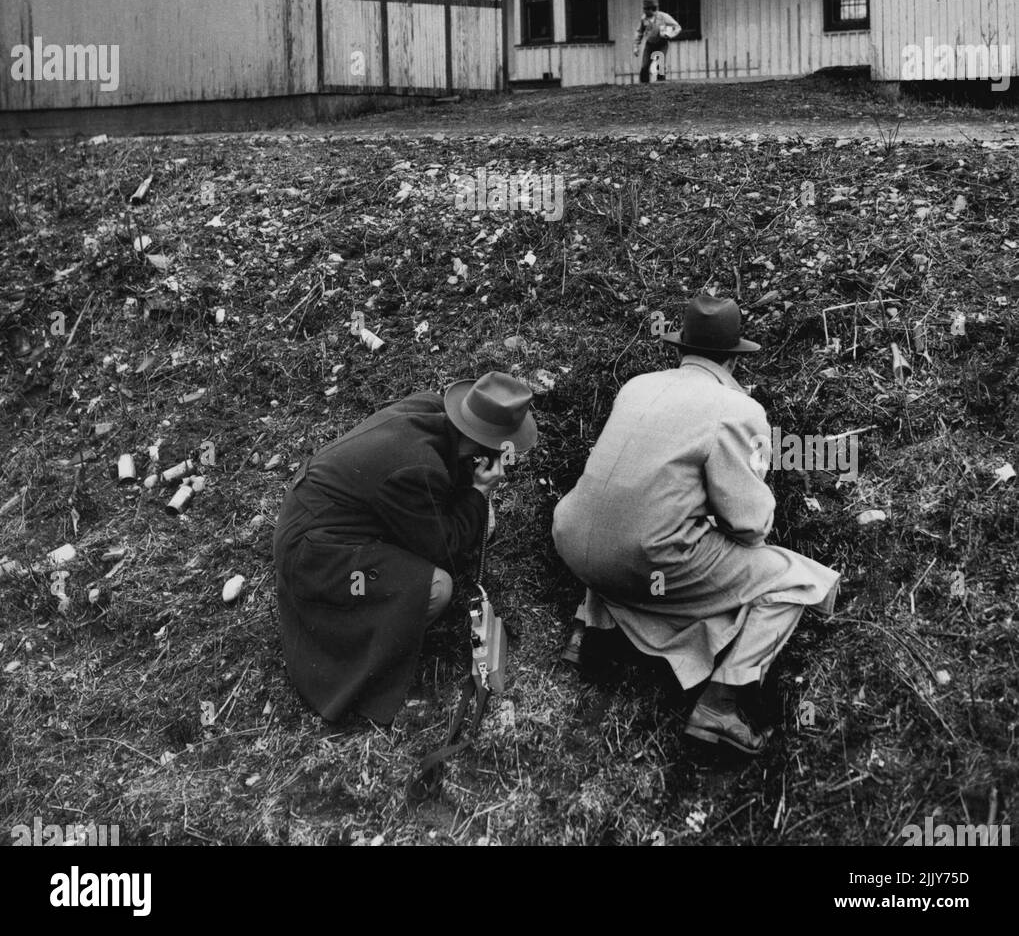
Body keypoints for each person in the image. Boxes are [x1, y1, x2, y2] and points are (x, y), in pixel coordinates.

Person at [552, 294, 839, 755]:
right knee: (797, 581)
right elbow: (750, 527)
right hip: (641, 559)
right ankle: (720, 705)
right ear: (732, 358)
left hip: (570, 540)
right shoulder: (736, 410)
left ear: (680, 347)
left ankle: (588, 634)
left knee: (624, 512)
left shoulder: (637, 385)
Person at [273, 371, 537, 726]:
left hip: (326, 517)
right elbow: (443, 548)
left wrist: (473, 500)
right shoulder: (418, 469)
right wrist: (479, 494)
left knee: (480, 522)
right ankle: (361, 647)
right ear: (482, 447)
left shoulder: (431, 409)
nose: (508, 455)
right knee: (435, 587)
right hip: (316, 554)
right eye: (504, 447)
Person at [632, 0, 681, 83]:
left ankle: (661, 85)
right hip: (650, 44)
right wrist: (636, 46)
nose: (645, 11)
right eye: (644, 9)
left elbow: (677, 27)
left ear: (652, 9)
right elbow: (639, 32)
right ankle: (643, 86)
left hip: (662, 43)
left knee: (660, 65)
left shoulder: (663, 16)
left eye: (647, 9)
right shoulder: (644, 19)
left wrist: (670, 35)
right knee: (645, 65)